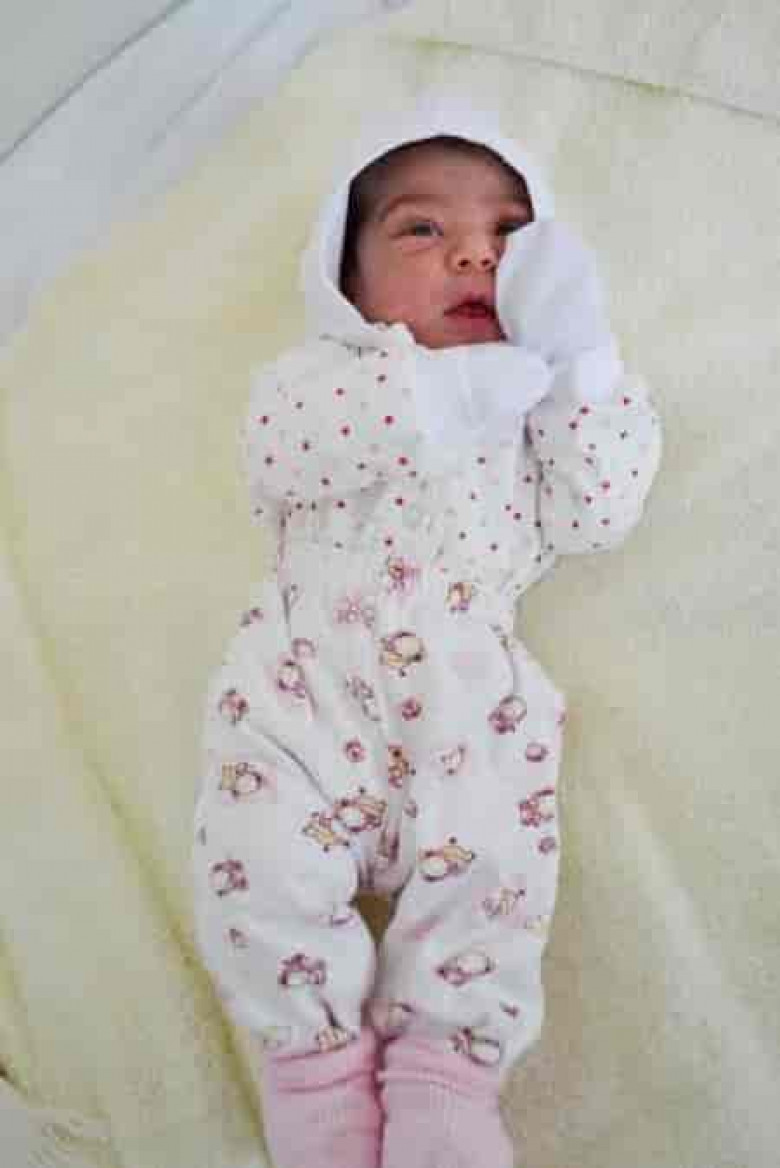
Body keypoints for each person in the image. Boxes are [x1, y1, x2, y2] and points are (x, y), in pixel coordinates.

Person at [191, 93, 662, 1168]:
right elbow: (280, 450)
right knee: (256, 859)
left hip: (468, 696)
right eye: (422, 228)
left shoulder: (545, 407)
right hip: (303, 690)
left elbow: (597, 512)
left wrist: (578, 361)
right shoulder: (323, 378)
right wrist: (449, 394)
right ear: (343, 277)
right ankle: (314, 1077)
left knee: (497, 870)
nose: (475, 256)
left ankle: (446, 1080)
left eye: (510, 234)